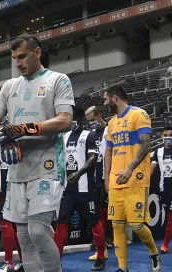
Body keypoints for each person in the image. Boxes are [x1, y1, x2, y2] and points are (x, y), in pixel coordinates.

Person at [0, 34, 74, 272]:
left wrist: (25, 129)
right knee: (24, 237)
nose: (18, 63)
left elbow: (65, 120)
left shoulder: (59, 80)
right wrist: (2, 136)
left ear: (37, 52)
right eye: (15, 58)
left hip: (47, 167)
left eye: (22, 56)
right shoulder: (10, 86)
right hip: (17, 170)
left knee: (37, 230)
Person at [103, 84, 161, 272]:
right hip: (115, 181)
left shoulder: (139, 114)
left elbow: (146, 146)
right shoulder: (111, 123)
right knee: (117, 225)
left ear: (115, 98)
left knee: (136, 225)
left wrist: (129, 169)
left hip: (135, 178)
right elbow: (108, 152)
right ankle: (122, 267)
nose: (104, 103)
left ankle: (154, 252)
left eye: (106, 99)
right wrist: (107, 177)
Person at [53, 107, 106, 271]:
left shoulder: (88, 136)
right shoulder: (64, 136)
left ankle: (101, 256)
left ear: (78, 118)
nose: (69, 121)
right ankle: (56, 261)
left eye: (71, 118)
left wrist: (80, 172)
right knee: (61, 221)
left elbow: (93, 158)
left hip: (86, 188)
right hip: (68, 189)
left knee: (94, 221)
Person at [85, 106, 112, 261]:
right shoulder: (91, 134)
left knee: (106, 213)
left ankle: (108, 241)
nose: (91, 124)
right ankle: (102, 247)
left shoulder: (110, 130)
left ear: (100, 115)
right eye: (89, 122)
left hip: (108, 178)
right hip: (94, 179)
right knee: (97, 214)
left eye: (93, 120)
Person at [150, 127, 172, 254]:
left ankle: (165, 244)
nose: (168, 137)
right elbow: (151, 168)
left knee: (170, 217)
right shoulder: (158, 151)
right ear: (161, 137)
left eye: (171, 135)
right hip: (164, 190)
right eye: (166, 135)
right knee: (169, 217)